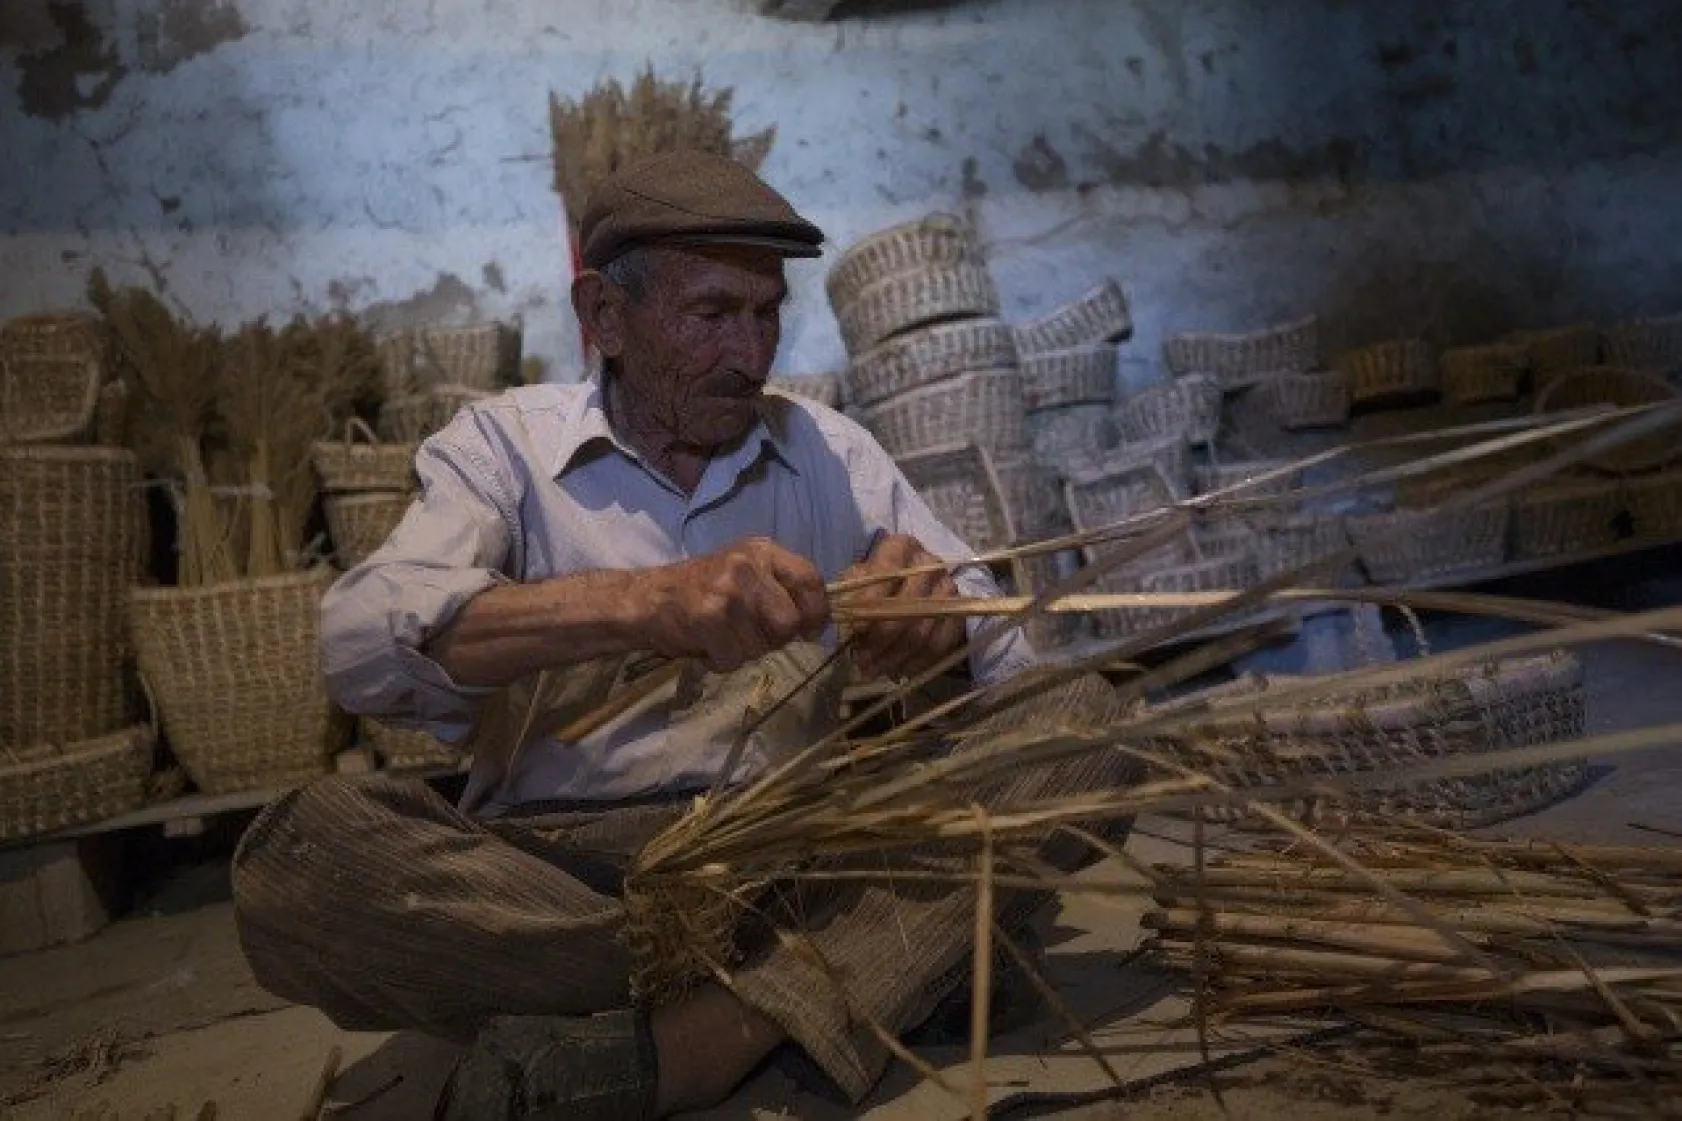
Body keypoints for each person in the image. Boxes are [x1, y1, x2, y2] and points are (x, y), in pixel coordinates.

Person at [231, 150, 1131, 1120]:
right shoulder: (505, 446)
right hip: (564, 883)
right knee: (296, 856)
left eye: (766, 313)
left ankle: (686, 1045)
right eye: (710, 315)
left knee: (1086, 725)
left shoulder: (829, 451)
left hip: (787, 853)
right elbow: (358, 643)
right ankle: (854, 974)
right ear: (603, 318)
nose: (749, 354)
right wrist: (644, 601)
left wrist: (934, 632)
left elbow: (1010, 667)